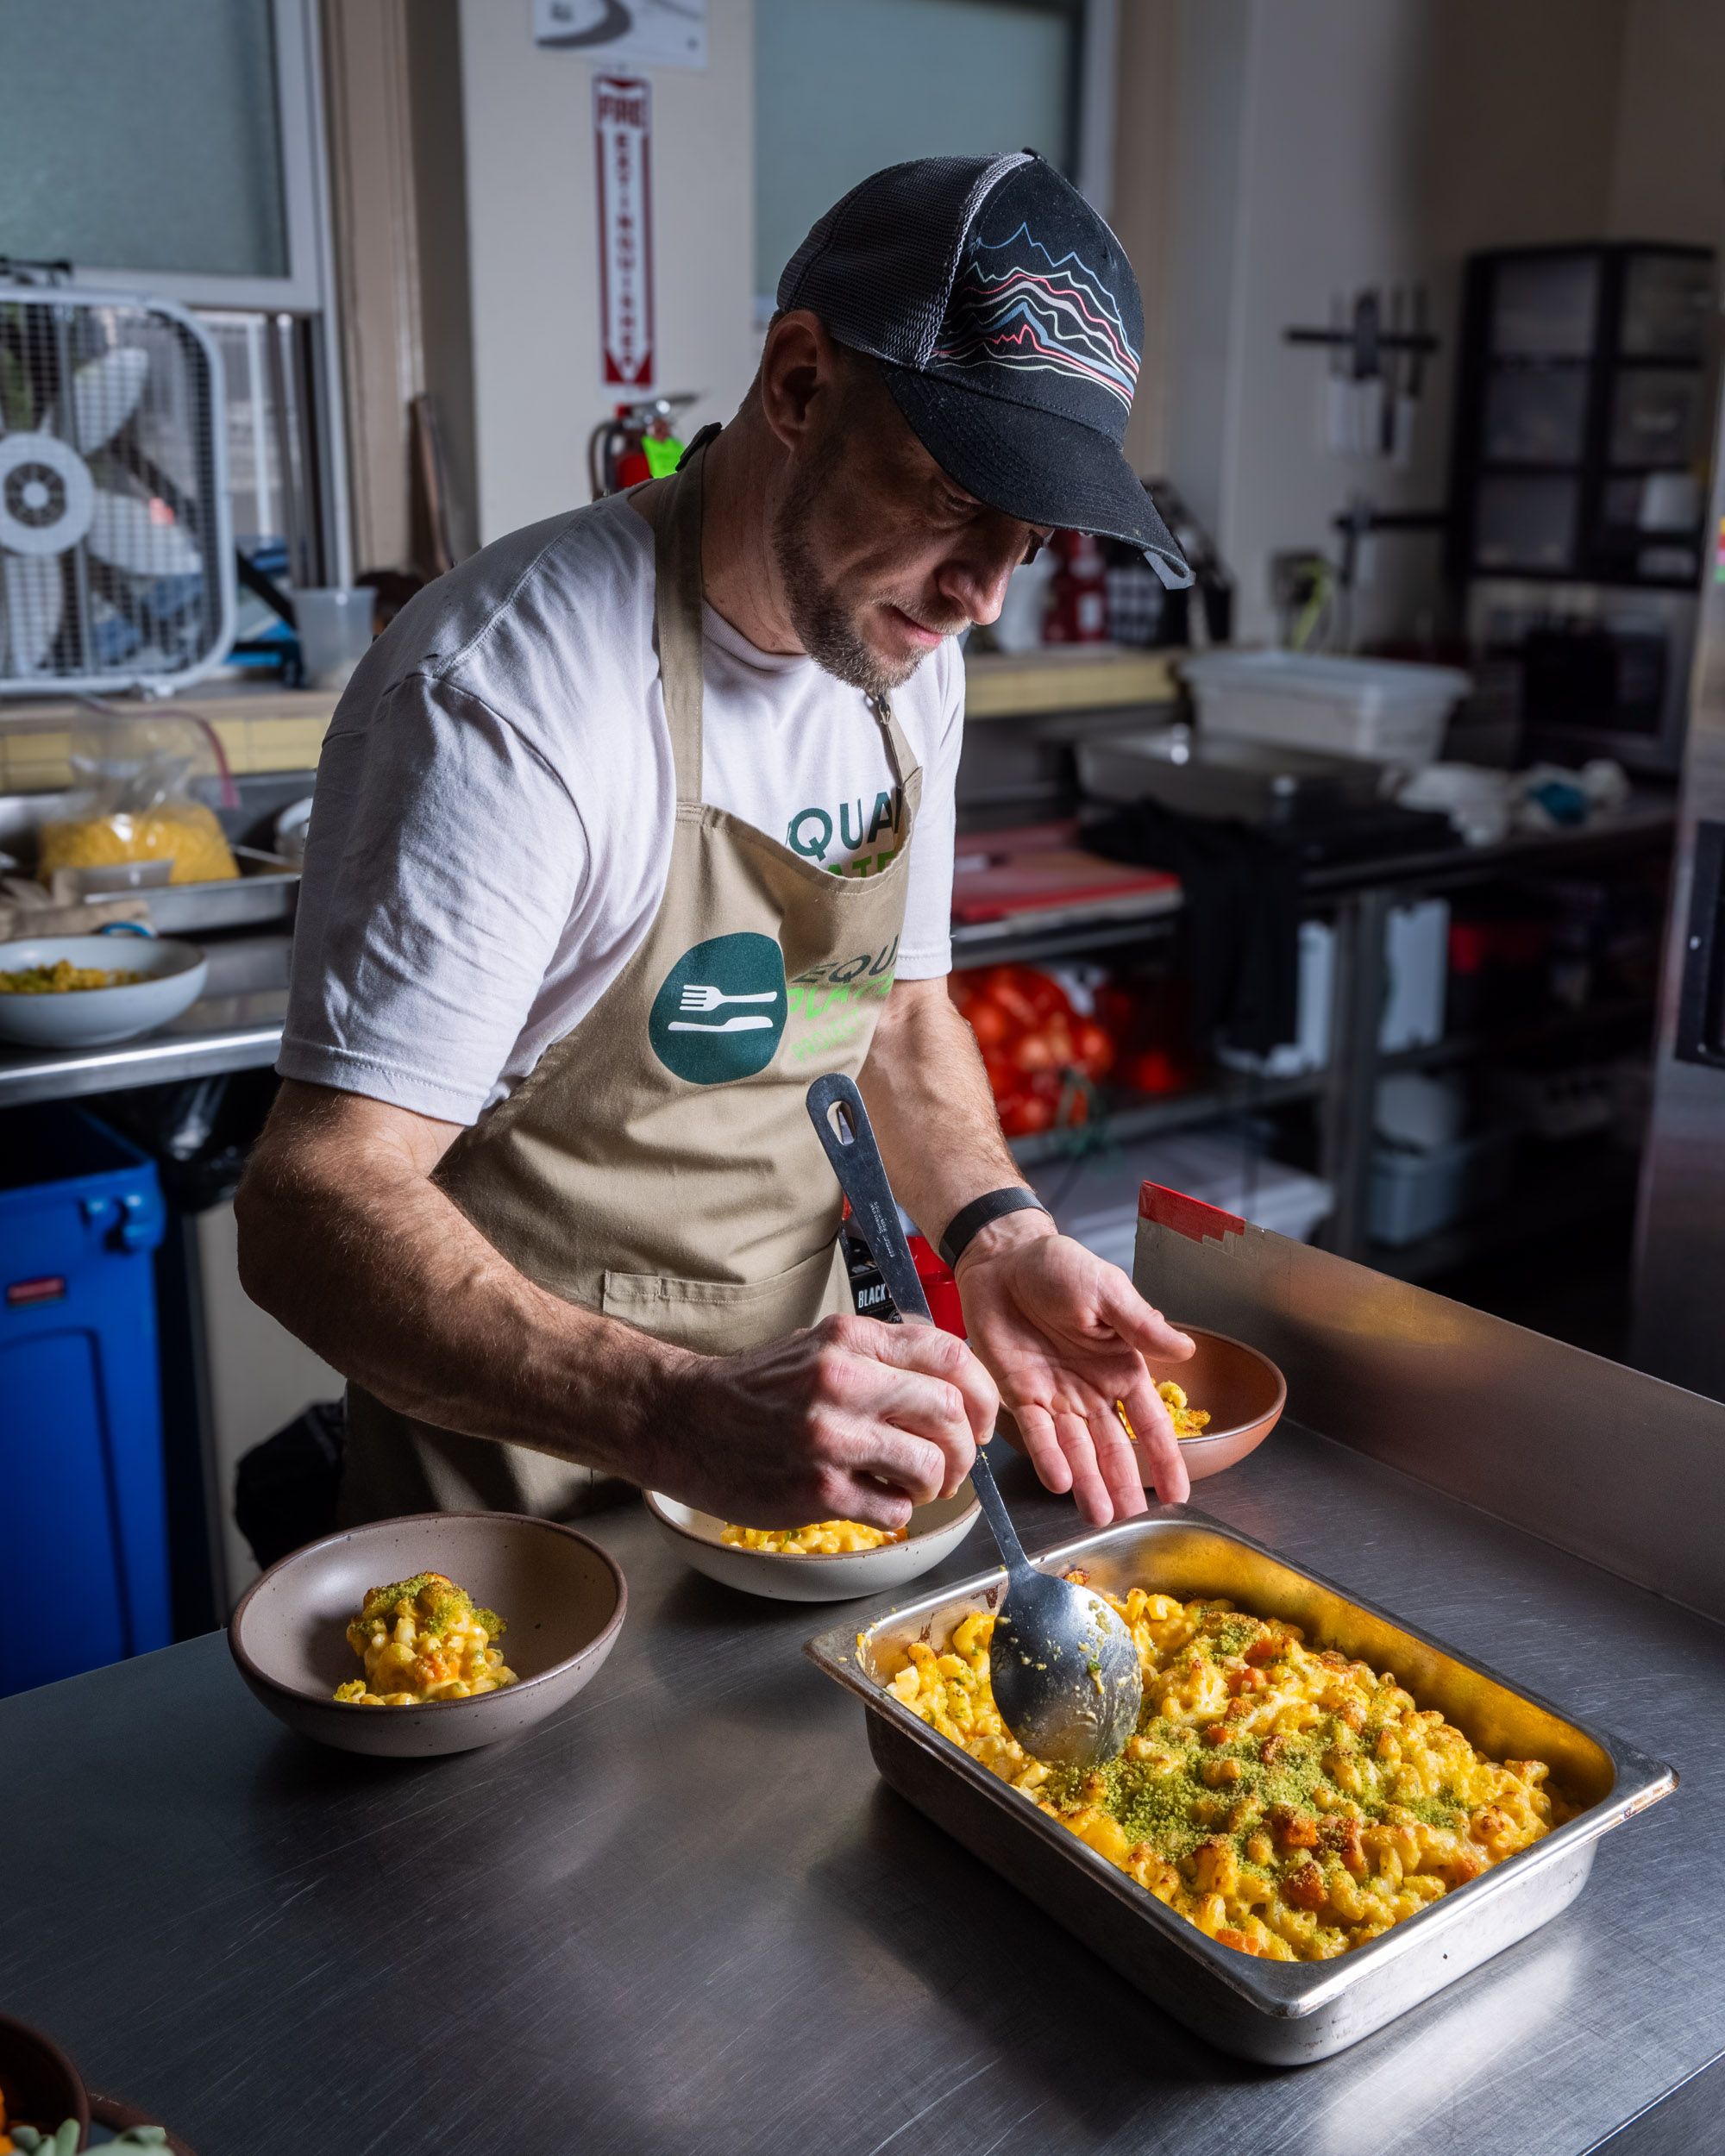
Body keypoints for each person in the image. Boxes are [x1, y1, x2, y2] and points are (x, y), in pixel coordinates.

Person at [236, 151, 1197, 1536]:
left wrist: (999, 1232)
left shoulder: (904, 641)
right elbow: (312, 1206)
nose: (985, 591)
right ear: (800, 385)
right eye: (953, 495)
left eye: (1029, 537)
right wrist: (673, 1414)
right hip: (524, 1525)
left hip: (801, 1486)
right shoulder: (513, 694)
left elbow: (899, 1012)